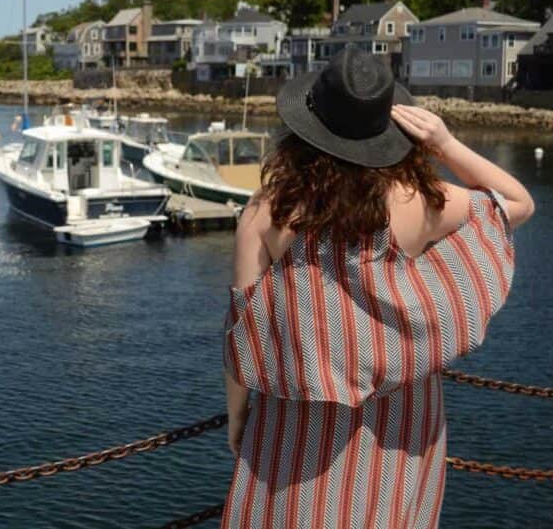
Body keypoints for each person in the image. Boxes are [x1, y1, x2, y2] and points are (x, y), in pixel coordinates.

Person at [221, 49, 534, 528]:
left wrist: (238, 416)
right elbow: (517, 202)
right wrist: (446, 144)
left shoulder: (270, 211)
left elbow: (241, 326)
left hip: (300, 416)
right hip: (403, 414)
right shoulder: (423, 202)